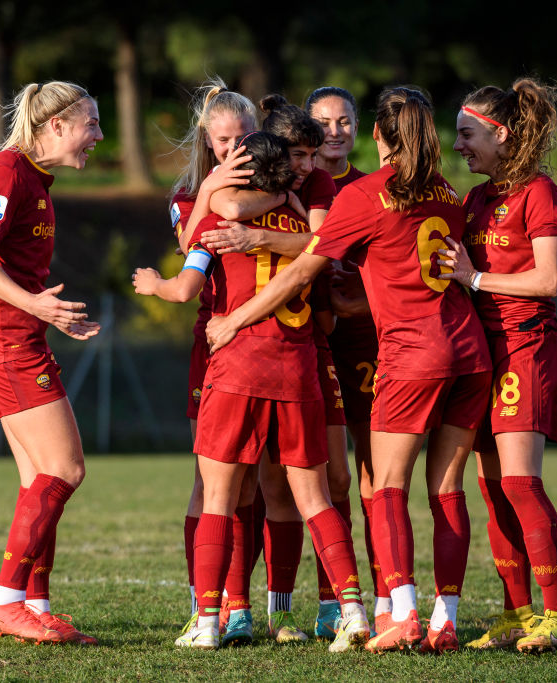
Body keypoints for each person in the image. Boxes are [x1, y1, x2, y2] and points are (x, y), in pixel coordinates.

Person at [205, 87, 493, 654]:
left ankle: (402, 614)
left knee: (384, 487)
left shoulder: (363, 194)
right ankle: (446, 620)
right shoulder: (449, 193)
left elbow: (297, 274)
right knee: (449, 491)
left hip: (413, 356)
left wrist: (233, 320)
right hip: (471, 353)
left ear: (377, 136)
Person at [135, 131, 371, 652]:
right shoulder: (306, 228)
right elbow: (327, 271)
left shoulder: (220, 221)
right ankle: (353, 611)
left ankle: (211, 621)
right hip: (298, 370)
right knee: (316, 498)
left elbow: (184, 290)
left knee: (219, 497)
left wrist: (152, 283)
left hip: (238, 367)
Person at [196, 94, 354, 646]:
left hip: (263, 352)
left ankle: (243, 615)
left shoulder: (307, 190)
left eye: (315, 153)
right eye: (300, 153)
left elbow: (321, 251)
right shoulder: (234, 190)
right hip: (282, 359)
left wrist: (243, 222)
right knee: (259, 491)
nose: (310, 163)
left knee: (288, 489)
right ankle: (242, 611)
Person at [441, 77, 557, 653]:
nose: (459, 146)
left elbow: (548, 281)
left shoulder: (539, 192)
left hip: (527, 345)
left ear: (501, 134)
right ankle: (516, 613)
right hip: (485, 353)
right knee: (493, 486)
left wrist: (473, 277)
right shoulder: (476, 199)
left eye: (467, 134)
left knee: (521, 482)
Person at [0, 81, 102, 646]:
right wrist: (35, 304)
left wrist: (50, 314)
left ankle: (34, 604)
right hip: (3, 342)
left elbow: (15, 271)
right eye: (91, 123)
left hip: (19, 337)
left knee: (37, 480)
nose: (97, 135)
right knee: (64, 470)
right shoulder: (6, 173)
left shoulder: (36, 180)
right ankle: (5, 602)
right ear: (58, 126)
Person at [166, 78, 257, 638]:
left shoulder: (279, 185)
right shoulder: (186, 193)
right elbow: (187, 253)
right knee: (212, 479)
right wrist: (209, 192)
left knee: (253, 483)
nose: (233, 149)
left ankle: (241, 605)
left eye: (243, 137)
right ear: (207, 140)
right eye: (222, 141)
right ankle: (205, 597)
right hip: (219, 342)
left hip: (275, 344)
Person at [304, 85, 390, 633]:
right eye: (324, 123)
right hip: (305, 343)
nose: (335, 131)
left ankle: (388, 597)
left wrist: (358, 302)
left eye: (344, 122)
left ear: (358, 128)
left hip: (365, 343)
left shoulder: (375, 188)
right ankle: (330, 601)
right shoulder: (292, 185)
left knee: (373, 477)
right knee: (317, 481)